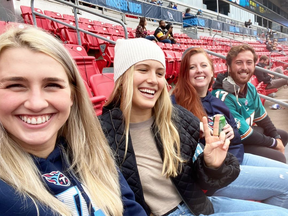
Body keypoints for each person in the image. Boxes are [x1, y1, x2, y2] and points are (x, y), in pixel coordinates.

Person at [100, 38, 288, 216]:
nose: (153, 79)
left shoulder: (177, 117)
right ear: (122, 76)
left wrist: (212, 165)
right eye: (142, 70)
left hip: (198, 203)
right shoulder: (101, 132)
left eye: (159, 73)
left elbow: (199, 177)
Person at [0, 26, 146, 216]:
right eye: (15, 85)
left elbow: (131, 209)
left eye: (52, 85)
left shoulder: (92, 153)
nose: (36, 103)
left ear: (73, 95)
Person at [172, 47, 288, 208]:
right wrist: (196, 133)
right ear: (184, 73)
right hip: (212, 175)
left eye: (204, 65)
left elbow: (237, 136)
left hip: (235, 159)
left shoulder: (216, 101)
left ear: (212, 71)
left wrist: (229, 133)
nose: (199, 70)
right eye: (192, 67)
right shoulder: (175, 104)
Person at [212, 44, 288, 163]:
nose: (244, 67)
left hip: (245, 135)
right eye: (238, 63)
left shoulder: (250, 88)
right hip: (231, 146)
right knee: (278, 157)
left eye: (249, 62)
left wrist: (276, 138)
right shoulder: (222, 96)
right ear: (229, 67)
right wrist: (275, 144)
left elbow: (263, 119)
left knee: (282, 135)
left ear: (254, 66)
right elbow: (246, 135)